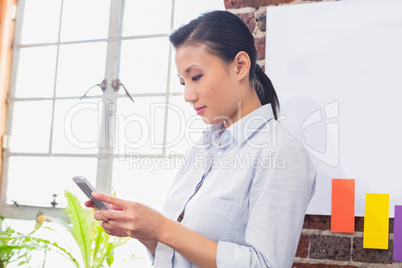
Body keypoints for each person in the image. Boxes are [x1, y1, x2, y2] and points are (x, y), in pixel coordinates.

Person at [86, 10, 316, 268]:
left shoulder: (281, 154)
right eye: (183, 82)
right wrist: (144, 231)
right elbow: (182, 256)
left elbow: (265, 264)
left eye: (196, 77)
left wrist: (162, 228)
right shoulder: (202, 149)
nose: (188, 95)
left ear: (240, 66)